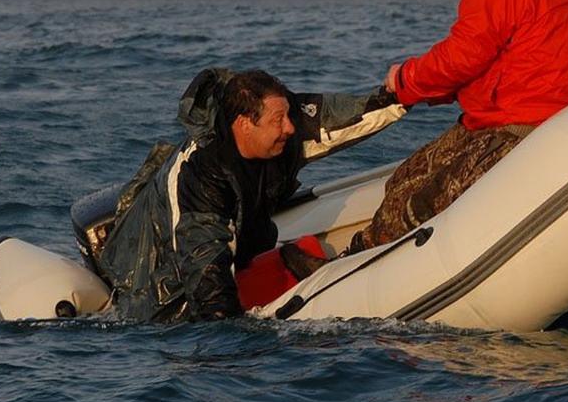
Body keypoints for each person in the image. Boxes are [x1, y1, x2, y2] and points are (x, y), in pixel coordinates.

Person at [348, 0, 568, 253]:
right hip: (518, 110)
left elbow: (464, 56)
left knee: (413, 203)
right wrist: (427, 89)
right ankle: (365, 253)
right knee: (406, 177)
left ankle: (358, 262)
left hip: (521, 119)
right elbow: (490, 62)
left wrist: (406, 79)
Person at [92, 68, 405, 322]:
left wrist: (411, 89)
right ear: (244, 125)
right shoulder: (201, 175)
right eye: (277, 121)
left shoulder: (282, 125)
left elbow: (346, 116)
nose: (291, 128)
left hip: (242, 248)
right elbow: (205, 268)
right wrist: (233, 336)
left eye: (288, 116)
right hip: (162, 292)